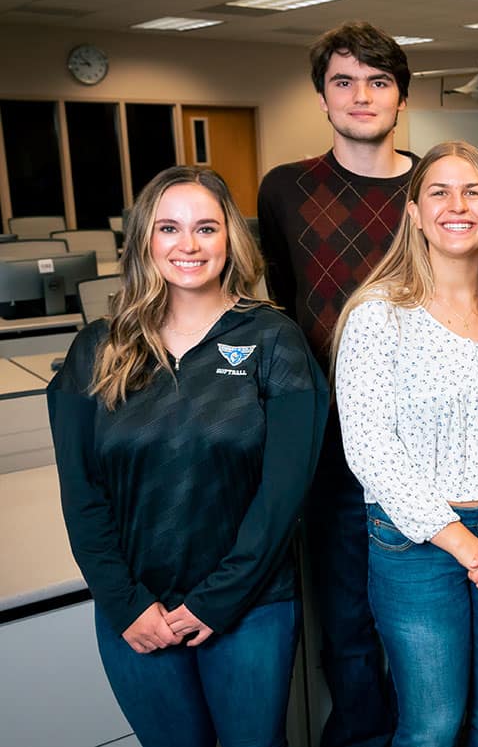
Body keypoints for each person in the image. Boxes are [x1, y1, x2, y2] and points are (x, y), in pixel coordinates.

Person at [47, 166, 328, 747]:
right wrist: (126, 605)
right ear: (145, 240)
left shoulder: (274, 340)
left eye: (206, 227)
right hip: (136, 610)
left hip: (251, 607)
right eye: (169, 228)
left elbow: (283, 496)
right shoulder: (97, 349)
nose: (189, 245)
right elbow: (81, 496)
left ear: (230, 239)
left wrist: (216, 599)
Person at [332, 141, 478, 747]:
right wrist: (464, 543)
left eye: (473, 191)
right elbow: (369, 447)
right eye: (438, 191)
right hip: (417, 544)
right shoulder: (378, 315)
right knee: (433, 725)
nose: (456, 206)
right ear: (413, 212)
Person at [257, 20, 418, 747]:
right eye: (344, 81)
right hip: (330, 447)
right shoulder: (286, 188)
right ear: (322, 96)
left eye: (378, 81)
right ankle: (362, 736)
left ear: (401, 96)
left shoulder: (437, 186)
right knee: (348, 622)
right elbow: (278, 312)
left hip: (427, 441)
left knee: (423, 617)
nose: (361, 96)